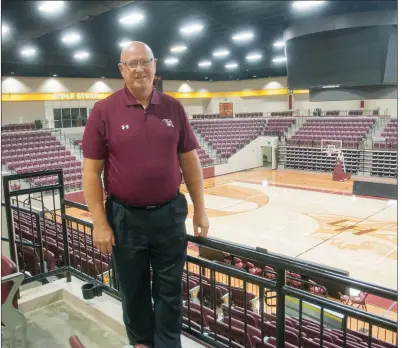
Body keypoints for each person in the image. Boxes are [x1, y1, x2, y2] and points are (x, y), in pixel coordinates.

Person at [82, 41, 209, 348]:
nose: (139, 69)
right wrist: (100, 223)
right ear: (121, 70)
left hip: (169, 215)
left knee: (169, 292)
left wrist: (201, 209)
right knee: (133, 291)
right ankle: (141, 343)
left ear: (155, 65)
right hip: (126, 219)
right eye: (132, 63)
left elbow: (190, 163)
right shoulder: (104, 111)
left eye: (145, 62)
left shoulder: (173, 107)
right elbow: (90, 172)